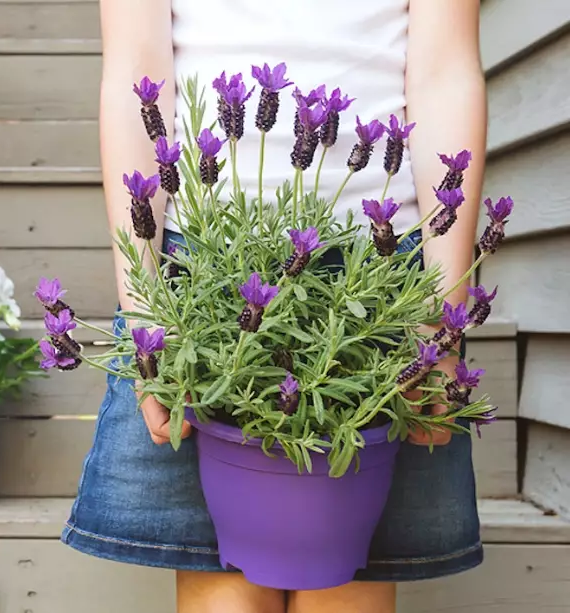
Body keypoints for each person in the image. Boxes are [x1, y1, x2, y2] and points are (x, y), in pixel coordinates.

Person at [61, 1, 487, 612]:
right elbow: (134, 72)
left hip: (382, 279)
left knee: (348, 590)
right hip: (202, 271)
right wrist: (147, 311)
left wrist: (439, 328)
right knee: (224, 591)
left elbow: (444, 72)